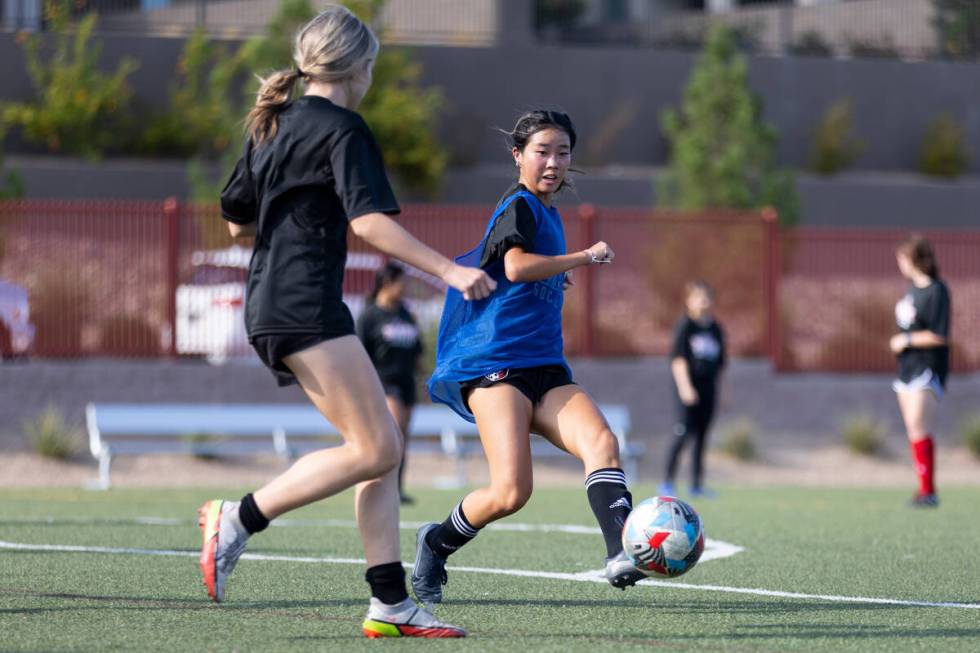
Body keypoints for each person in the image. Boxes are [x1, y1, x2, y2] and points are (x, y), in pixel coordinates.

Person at [199, 5, 495, 638]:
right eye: (374, 66)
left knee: (377, 450)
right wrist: (449, 270)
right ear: (359, 66)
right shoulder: (344, 128)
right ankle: (240, 518)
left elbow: (236, 220)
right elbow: (368, 223)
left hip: (274, 303)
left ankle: (389, 602)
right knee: (378, 445)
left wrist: (296, 216)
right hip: (304, 302)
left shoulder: (271, 125)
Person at [412, 109, 645, 607]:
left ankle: (620, 552)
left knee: (602, 442)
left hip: (545, 367)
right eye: (542, 151)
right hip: (496, 368)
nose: (554, 162)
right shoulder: (518, 206)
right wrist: (582, 257)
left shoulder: (549, 215)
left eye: (563, 153)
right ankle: (435, 542)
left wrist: (557, 270)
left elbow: (520, 271)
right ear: (518, 156)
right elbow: (516, 268)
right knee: (511, 493)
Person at [357, 263, 424, 505]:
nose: (405, 287)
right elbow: (359, 354)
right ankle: (381, 488)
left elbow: (417, 349)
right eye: (402, 282)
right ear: (387, 283)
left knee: (402, 437)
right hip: (384, 382)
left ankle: (396, 488)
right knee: (393, 434)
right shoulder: (370, 315)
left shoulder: (406, 313)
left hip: (406, 382)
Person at [891, 235, 950, 508]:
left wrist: (908, 341)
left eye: (903, 258)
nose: (900, 264)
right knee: (913, 430)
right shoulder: (911, 289)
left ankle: (928, 490)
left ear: (915, 259)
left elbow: (940, 335)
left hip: (928, 365)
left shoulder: (937, 291)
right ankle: (925, 489)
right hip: (907, 366)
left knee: (918, 423)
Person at [659, 281, 726, 498]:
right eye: (698, 297)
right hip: (688, 389)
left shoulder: (716, 328)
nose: (703, 302)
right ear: (689, 301)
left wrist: (723, 391)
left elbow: (721, 364)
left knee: (702, 437)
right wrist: (686, 388)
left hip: (709, 389)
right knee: (682, 433)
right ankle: (667, 482)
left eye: (707, 297)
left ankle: (696, 484)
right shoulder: (685, 326)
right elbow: (678, 360)